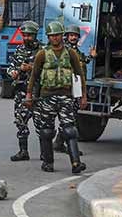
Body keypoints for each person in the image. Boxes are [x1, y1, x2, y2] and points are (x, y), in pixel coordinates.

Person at [26, 21, 87, 174]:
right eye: (52, 36)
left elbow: (80, 75)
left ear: (62, 36)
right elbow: (34, 76)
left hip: (66, 96)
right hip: (47, 97)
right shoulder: (42, 53)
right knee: (46, 130)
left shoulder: (71, 53)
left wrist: (82, 96)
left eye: (57, 35)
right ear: (48, 37)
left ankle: (75, 163)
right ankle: (48, 162)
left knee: (70, 130)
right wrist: (29, 95)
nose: (55, 38)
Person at [53, 25, 97, 153]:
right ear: (67, 36)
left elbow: (82, 62)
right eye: (71, 35)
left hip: (76, 87)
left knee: (71, 116)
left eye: (75, 36)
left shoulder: (76, 50)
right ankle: (68, 146)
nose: (73, 37)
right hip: (67, 87)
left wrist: (91, 56)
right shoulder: (64, 50)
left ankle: (59, 142)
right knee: (69, 117)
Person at [7, 21, 42, 161]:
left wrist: (32, 67)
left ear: (35, 35)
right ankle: (23, 151)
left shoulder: (43, 50)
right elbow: (11, 67)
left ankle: (45, 153)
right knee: (21, 121)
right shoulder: (19, 50)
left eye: (29, 35)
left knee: (42, 124)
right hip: (21, 91)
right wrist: (15, 72)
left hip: (38, 93)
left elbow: (50, 68)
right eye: (25, 35)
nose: (27, 38)